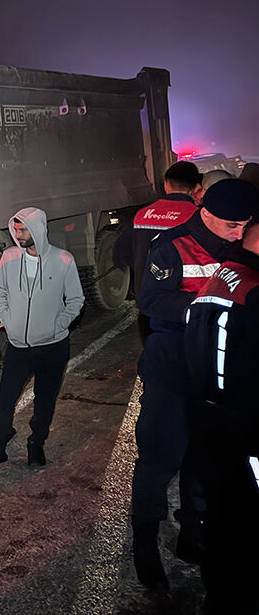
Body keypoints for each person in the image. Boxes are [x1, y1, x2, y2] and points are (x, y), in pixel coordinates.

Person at [130, 178, 257, 592]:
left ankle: (192, 534)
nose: (238, 234)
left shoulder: (240, 248)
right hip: (170, 366)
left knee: (203, 460)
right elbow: (149, 300)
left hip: (211, 372)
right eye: (230, 226)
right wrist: (206, 306)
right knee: (158, 459)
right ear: (206, 214)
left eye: (244, 226)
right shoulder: (173, 245)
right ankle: (145, 544)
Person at [184, 219, 259, 614]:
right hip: (245, 427)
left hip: (208, 418)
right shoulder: (254, 289)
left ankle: (219, 591)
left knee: (222, 515)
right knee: (245, 524)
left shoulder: (222, 276)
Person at [0, 207, 85, 470]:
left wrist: (57, 325)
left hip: (53, 346)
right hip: (17, 346)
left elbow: (76, 300)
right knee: (5, 397)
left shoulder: (63, 260)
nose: (18, 235)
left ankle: (36, 443)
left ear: (38, 229)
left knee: (45, 398)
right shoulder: (9, 257)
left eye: (23, 230)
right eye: (16, 230)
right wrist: (9, 320)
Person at [114, 160, 202, 341]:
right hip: (184, 304)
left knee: (155, 357)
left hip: (149, 303)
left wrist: (143, 269)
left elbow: (121, 252)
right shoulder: (198, 217)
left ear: (166, 184)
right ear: (196, 188)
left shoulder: (142, 214)